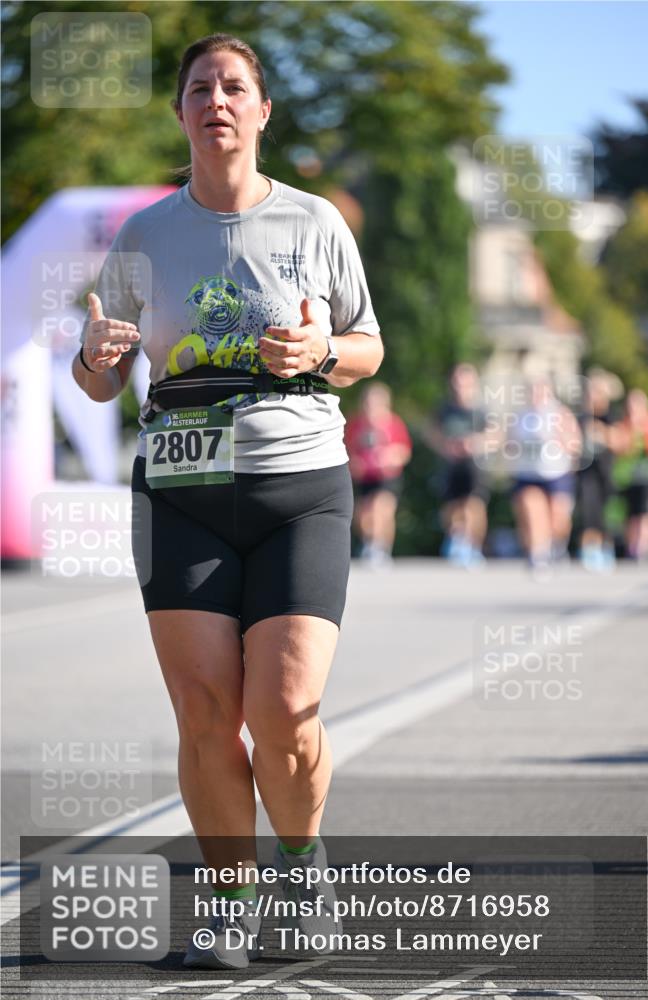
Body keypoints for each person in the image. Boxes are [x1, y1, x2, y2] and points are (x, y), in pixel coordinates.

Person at [73, 33, 383, 970]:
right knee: (207, 715)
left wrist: (319, 354)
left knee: (286, 708)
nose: (216, 99)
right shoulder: (144, 235)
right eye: (199, 87)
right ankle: (228, 905)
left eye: (233, 86)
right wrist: (96, 360)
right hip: (181, 491)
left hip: (300, 489)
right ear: (181, 113)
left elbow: (368, 346)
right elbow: (98, 378)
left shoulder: (314, 222)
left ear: (260, 112)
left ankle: (300, 863)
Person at [506, 378, 582, 574]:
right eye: (534, 391)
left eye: (541, 391)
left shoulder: (560, 413)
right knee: (532, 509)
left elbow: (575, 443)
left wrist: (558, 440)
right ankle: (538, 554)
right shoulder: (520, 416)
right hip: (528, 473)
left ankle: (557, 544)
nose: (537, 396)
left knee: (558, 518)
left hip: (556, 472)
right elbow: (509, 444)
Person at [424, 364, 488, 566]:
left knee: (473, 504)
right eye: (457, 382)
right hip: (450, 465)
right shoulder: (444, 409)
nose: (460, 386)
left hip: (475, 465)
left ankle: (473, 545)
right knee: (451, 507)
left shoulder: (482, 410)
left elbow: (497, 434)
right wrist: (445, 445)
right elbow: (430, 432)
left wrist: (476, 443)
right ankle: (457, 539)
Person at [345, 382, 412, 566]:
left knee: (381, 508)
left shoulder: (393, 423)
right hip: (364, 476)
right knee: (363, 514)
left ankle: (381, 547)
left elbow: (404, 451)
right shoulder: (355, 424)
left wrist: (390, 458)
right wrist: (354, 463)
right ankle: (370, 542)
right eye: (368, 402)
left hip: (387, 476)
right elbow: (348, 450)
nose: (372, 407)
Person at [612, 389, 648, 563]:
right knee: (632, 515)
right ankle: (634, 548)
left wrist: (644, 432)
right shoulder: (623, 426)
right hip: (629, 479)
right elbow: (618, 448)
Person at [576, 368, 622, 572]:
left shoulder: (611, 416)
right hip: (586, 472)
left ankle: (606, 547)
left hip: (607, 470)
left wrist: (603, 433)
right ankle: (589, 550)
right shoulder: (583, 417)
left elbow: (620, 441)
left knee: (606, 513)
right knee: (588, 511)